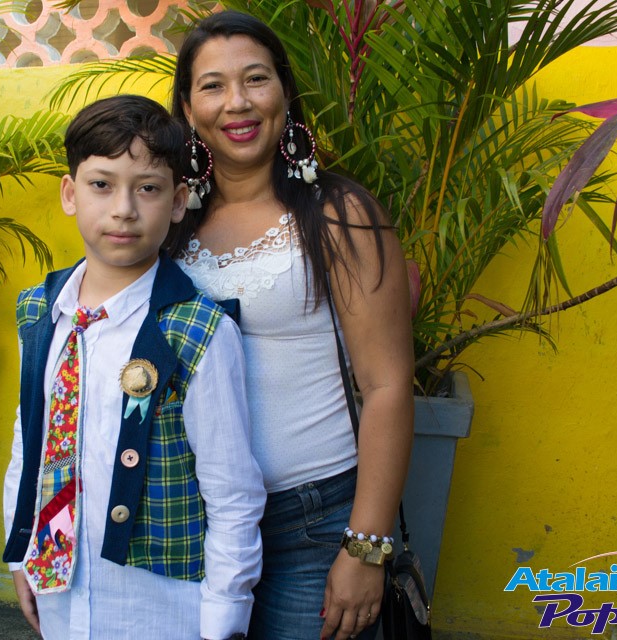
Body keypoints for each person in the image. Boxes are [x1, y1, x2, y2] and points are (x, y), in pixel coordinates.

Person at [168, 11, 415, 640]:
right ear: (189, 109)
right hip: (190, 524)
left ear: (284, 91)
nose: (237, 102)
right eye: (213, 86)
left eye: (256, 79)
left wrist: (366, 547)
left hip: (314, 524)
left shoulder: (338, 214)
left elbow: (387, 385)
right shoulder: (167, 221)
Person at [2, 94, 265, 640]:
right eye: (101, 184)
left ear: (178, 201)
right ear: (70, 194)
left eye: (147, 188)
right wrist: (21, 553)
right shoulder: (39, 312)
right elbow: (29, 443)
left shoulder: (197, 332)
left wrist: (224, 617)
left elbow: (232, 491)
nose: (123, 208)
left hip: (161, 609)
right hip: (57, 584)